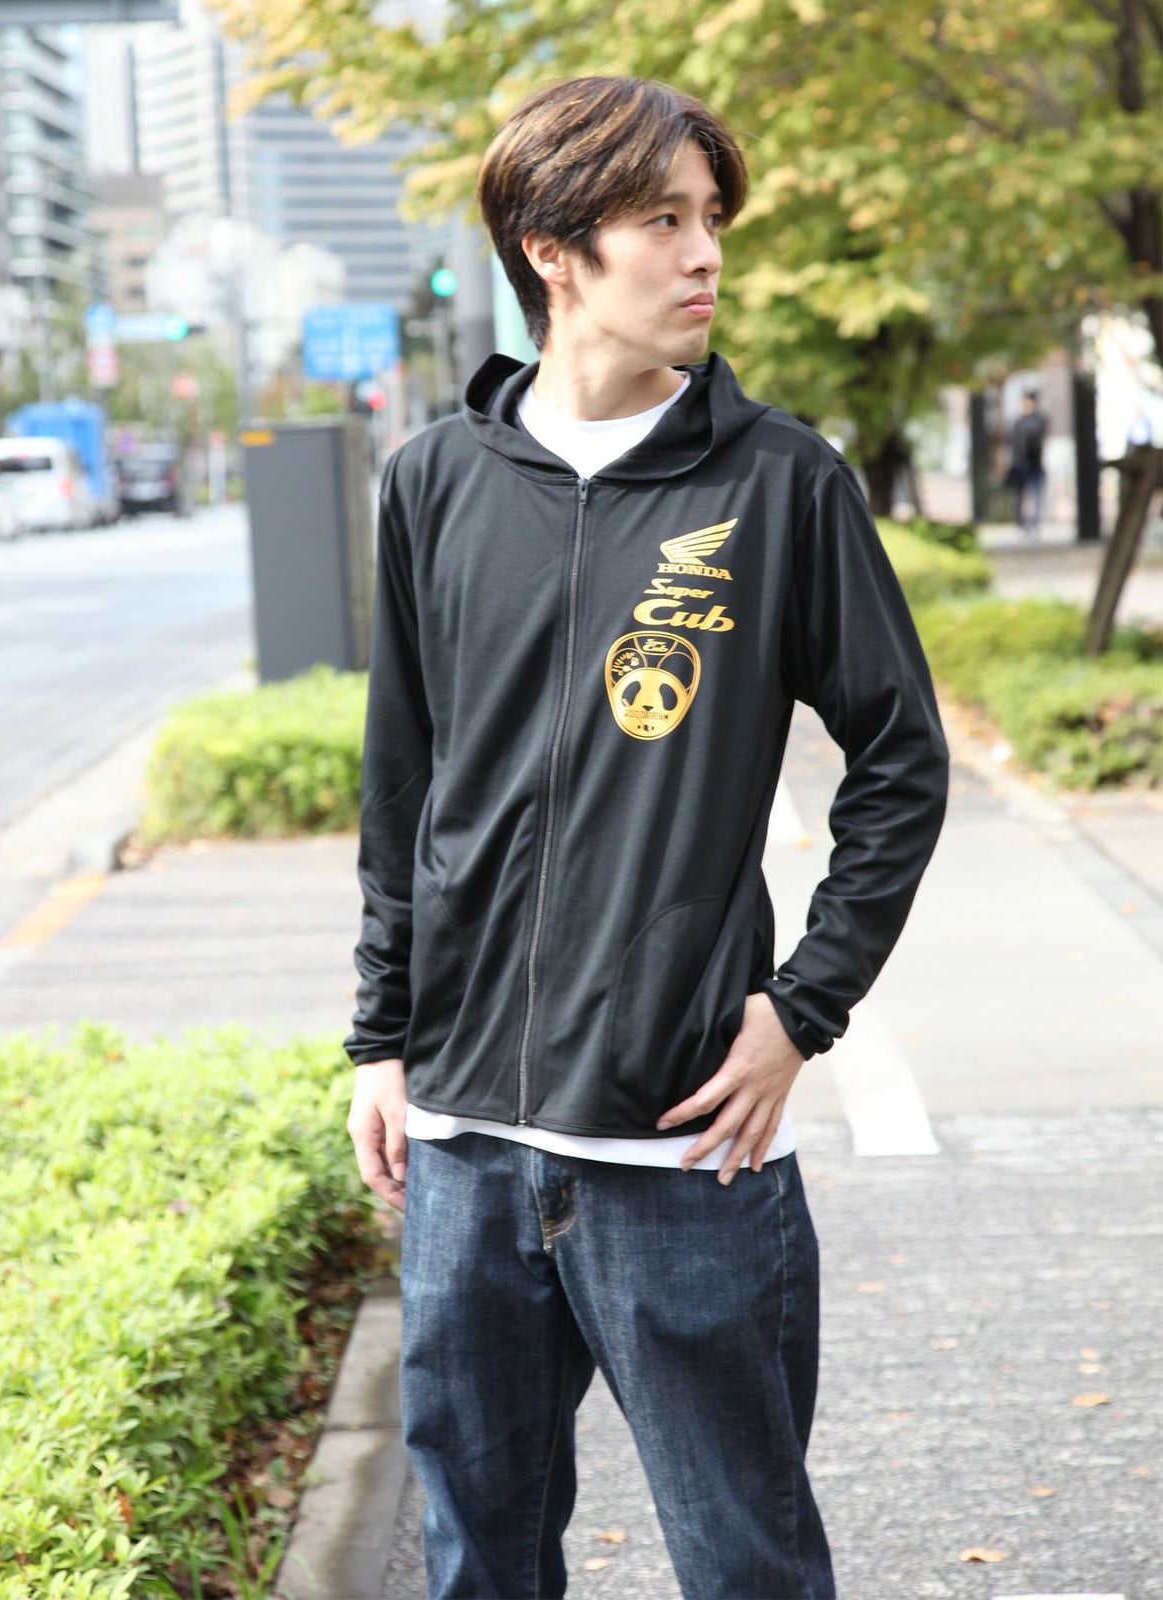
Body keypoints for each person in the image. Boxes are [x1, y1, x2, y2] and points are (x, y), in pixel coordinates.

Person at [345, 76, 949, 1600]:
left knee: (747, 1567)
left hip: (682, 1150)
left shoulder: (780, 483)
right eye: (662, 221)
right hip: (467, 1148)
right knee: (479, 1567)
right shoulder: (433, 484)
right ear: (554, 252)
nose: (705, 254)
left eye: (710, 220)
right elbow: (404, 787)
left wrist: (802, 1009)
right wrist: (378, 1041)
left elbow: (900, 760)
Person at [1008, 388, 1047, 535]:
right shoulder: (1018, 422)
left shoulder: (1039, 420)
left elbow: (1037, 439)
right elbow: (1013, 443)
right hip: (1020, 463)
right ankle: (1021, 521)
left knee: (1036, 492)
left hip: (1034, 462)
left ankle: (1034, 522)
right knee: (1021, 494)